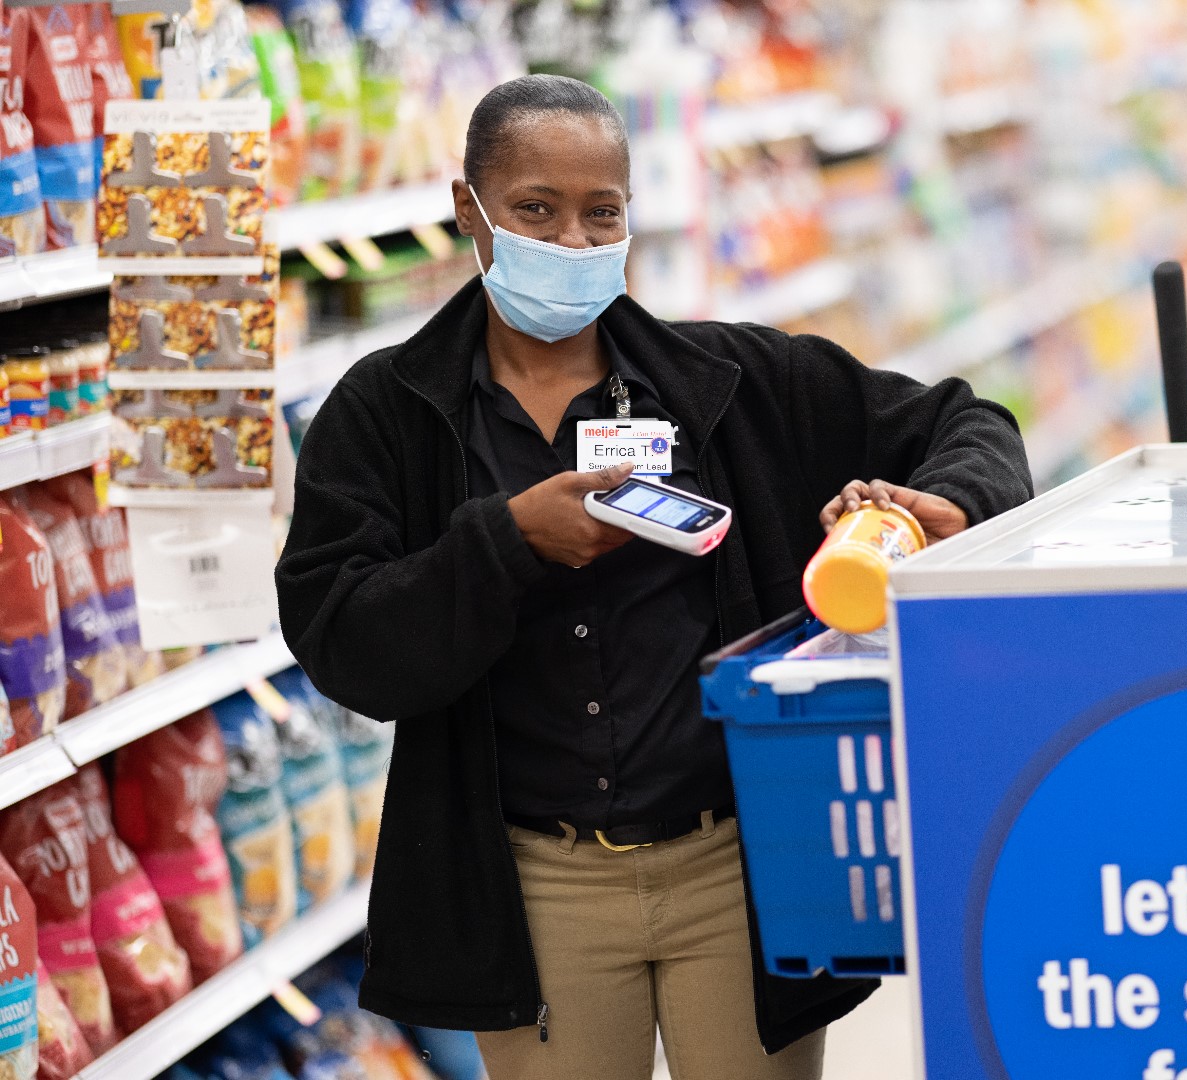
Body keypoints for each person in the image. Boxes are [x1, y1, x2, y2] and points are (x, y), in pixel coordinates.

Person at [275, 74, 1032, 1079]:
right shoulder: (385, 413)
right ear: (470, 210)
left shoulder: (733, 384)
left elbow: (970, 423)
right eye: (535, 210)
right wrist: (506, 543)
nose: (574, 242)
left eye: (602, 213)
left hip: (737, 870)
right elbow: (342, 639)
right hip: (534, 892)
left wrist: (936, 505)